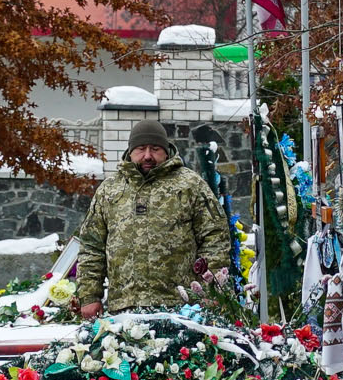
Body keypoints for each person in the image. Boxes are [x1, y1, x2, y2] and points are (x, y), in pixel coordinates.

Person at [76, 118, 233, 318]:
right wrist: (89, 296)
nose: (148, 156)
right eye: (141, 149)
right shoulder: (110, 189)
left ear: (166, 151)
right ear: (130, 152)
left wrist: (211, 290)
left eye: (155, 149)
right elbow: (91, 246)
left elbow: (215, 239)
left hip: (182, 309)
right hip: (124, 309)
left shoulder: (190, 185)